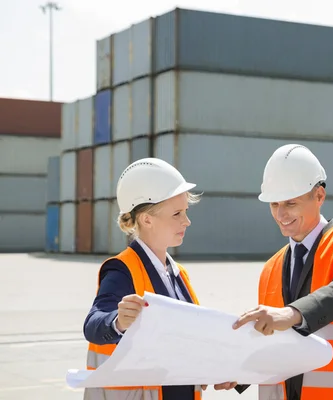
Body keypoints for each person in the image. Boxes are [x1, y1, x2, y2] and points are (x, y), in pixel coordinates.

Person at [232, 144, 333, 399]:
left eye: (290, 203)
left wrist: (291, 313)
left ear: (319, 196)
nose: (280, 214)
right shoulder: (271, 267)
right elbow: (272, 337)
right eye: (274, 204)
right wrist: (238, 372)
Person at [83, 157, 237, 400]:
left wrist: (214, 368)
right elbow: (93, 324)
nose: (187, 221)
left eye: (185, 212)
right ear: (147, 219)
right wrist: (118, 321)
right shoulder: (122, 270)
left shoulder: (178, 274)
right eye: (177, 213)